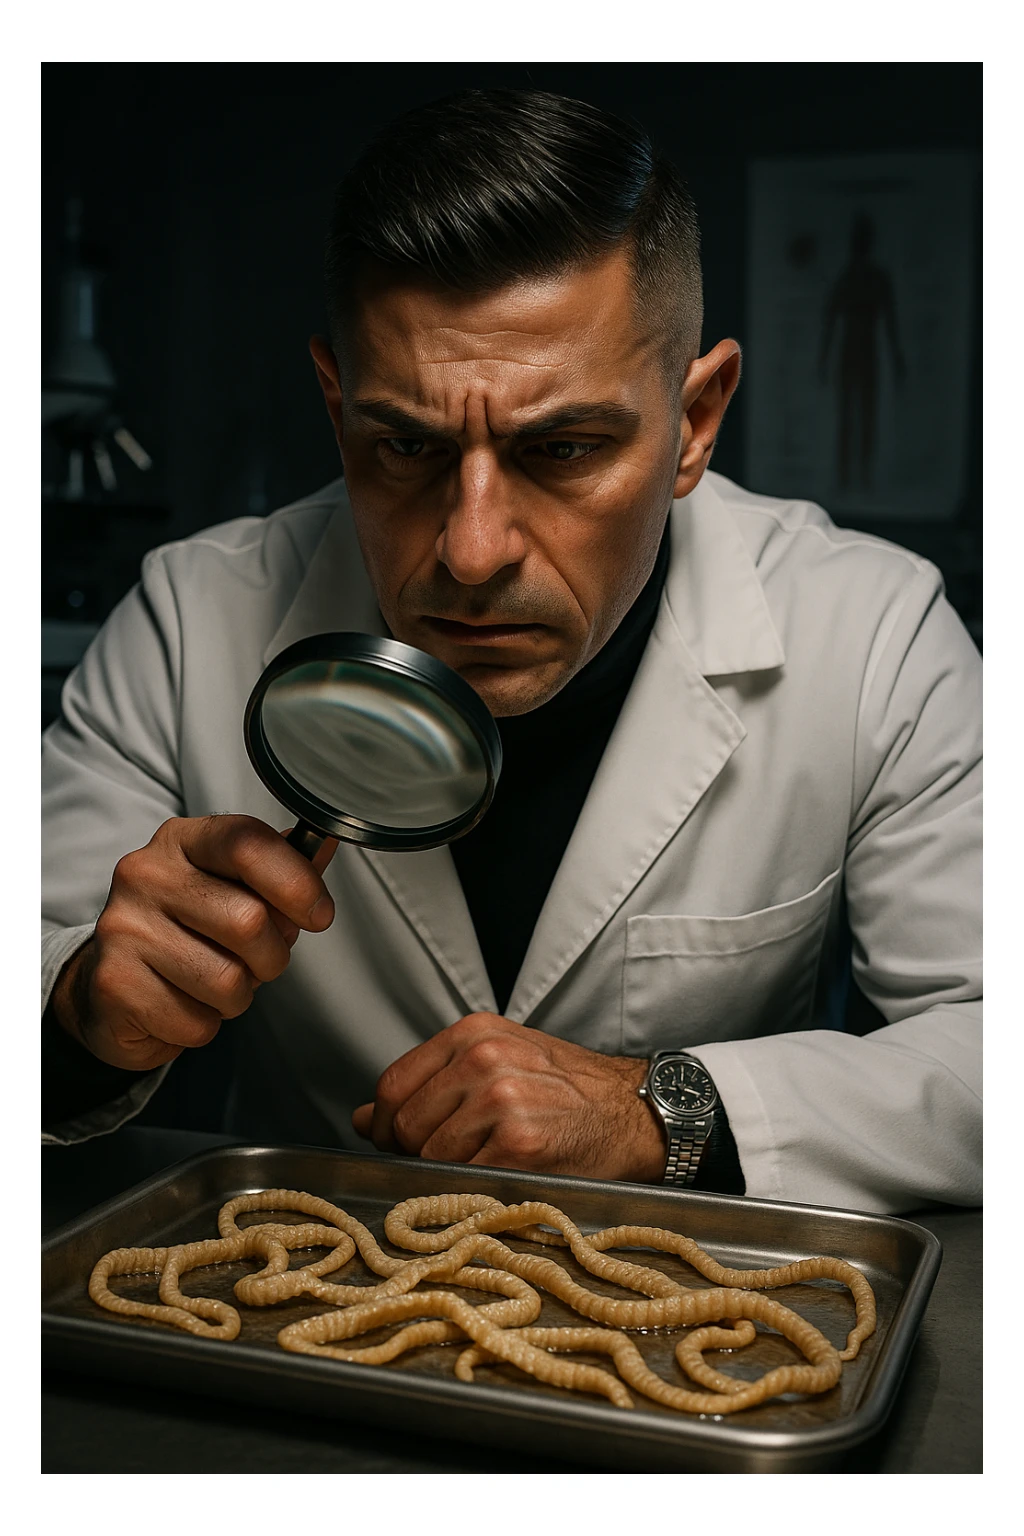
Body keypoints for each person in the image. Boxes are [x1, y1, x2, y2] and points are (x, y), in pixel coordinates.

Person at [41, 89, 981, 1215]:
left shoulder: (871, 634)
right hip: (294, 1309)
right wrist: (84, 1016)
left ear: (694, 421)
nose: (474, 551)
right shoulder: (191, 620)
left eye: (564, 448)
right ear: (337, 410)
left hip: (691, 1329)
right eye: (405, 446)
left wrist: (658, 1112)